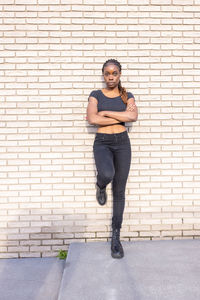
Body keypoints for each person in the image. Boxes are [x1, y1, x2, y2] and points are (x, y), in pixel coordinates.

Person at [86, 59, 138, 259]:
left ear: (119, 75)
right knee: (107, 174)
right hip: (103, 142)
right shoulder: (95, 95)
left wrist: (106, 112)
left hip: (122, 143)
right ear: (103, 74)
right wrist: (122, 115)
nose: (110, 77)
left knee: (120, 191)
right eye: (107, 73)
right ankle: (100, 184)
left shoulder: (128, 95)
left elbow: (133, 117)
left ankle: (116, 236)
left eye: (114, 73)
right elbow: (92, 119)